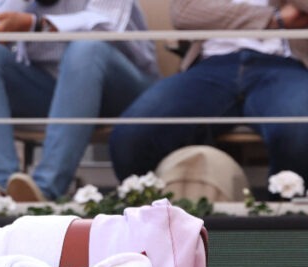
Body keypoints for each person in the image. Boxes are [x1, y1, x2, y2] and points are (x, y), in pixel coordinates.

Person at [0, 0, 159, 201]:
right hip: (52, 91)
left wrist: (34, 24)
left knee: (87, 47)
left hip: (123, 90)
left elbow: (105, 25)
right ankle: (2, 190)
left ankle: (46, 189)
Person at [109, 0, 308, 184]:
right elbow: (184, 13)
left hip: (284, 64)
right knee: (131, 137)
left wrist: (221, 16)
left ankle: (283, 217)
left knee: (300, 130)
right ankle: (162, 216)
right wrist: (274, 19)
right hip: (211, 65)